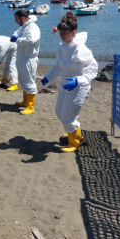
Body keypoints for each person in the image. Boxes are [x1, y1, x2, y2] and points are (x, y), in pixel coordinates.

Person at [41, 12, 98, 152]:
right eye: (60, 32)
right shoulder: (62, 47)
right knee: (60, 111)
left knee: (68, 115)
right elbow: (57, 66)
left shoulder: (80, 49)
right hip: (65, 84)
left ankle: (75, 143)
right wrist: (48, 77)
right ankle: (74, 132)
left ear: (73, 32)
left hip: (79, 86)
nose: (61, 35)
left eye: (64, 32)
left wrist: (78, 80)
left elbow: (93, 69)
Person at [11, 10, 40, 114]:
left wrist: (17, 40)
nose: (15, 22)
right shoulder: (24, 27)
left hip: (29, 59)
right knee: (23, 80)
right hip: (22, 58)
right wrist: (14, 36)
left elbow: (31, 39)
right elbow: (17, 32)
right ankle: (25, 101)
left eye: (16, 19)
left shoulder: (33, 27)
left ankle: (31, 107)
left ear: (22, 18)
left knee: (29, 81)